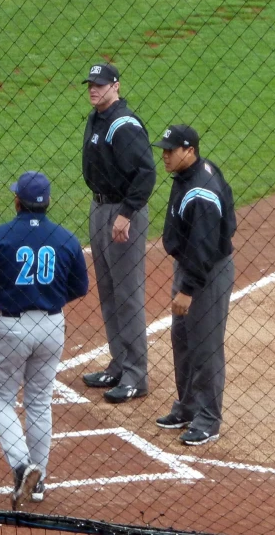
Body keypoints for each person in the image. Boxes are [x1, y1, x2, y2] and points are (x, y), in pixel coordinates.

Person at [0, 171, 89, 509]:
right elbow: (80, 287)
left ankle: (22, 466)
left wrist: (3, 298)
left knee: (1, 399)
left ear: (16, 200)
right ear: (47, 202)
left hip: (12, 326)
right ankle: (39, 482)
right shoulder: (66, 239)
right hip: (52, 326)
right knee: (38, 401)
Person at [152, 125, 236, 446]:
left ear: (189, 151)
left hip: (206, 273)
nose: (164, 155)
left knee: (205, 345)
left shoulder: (201, 192)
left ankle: (208, 418)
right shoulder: (196, 171)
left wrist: (187, 288)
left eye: (170, 150)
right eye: (163, 149)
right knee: (183, 336)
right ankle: (187, 406)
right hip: (192, 265)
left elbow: (204, 247)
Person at [80, 63, 156, 403]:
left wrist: (126, 214)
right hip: (100, 208)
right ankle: (120, 363)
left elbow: (145, 173)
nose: (94, 89)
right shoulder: (97, 118)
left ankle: (136, 375)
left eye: (100, 84)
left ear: (116, 86)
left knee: (127, 294)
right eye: (90, 85)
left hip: (122, 212)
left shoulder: (124, 125)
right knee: (110, 292)